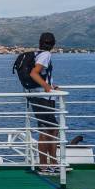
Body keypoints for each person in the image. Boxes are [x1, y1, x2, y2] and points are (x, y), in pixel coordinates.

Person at [27, 32, 59, 175]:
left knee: (48, 129)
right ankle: (46, 165)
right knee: (49, 130)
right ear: (53, 44)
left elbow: (41, 75)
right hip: (43, 98)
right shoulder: (45, 54)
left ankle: (50, 164)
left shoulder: (37, 53)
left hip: (36, 96)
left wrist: (51, 86)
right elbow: (34, 73)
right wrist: (47, 88)